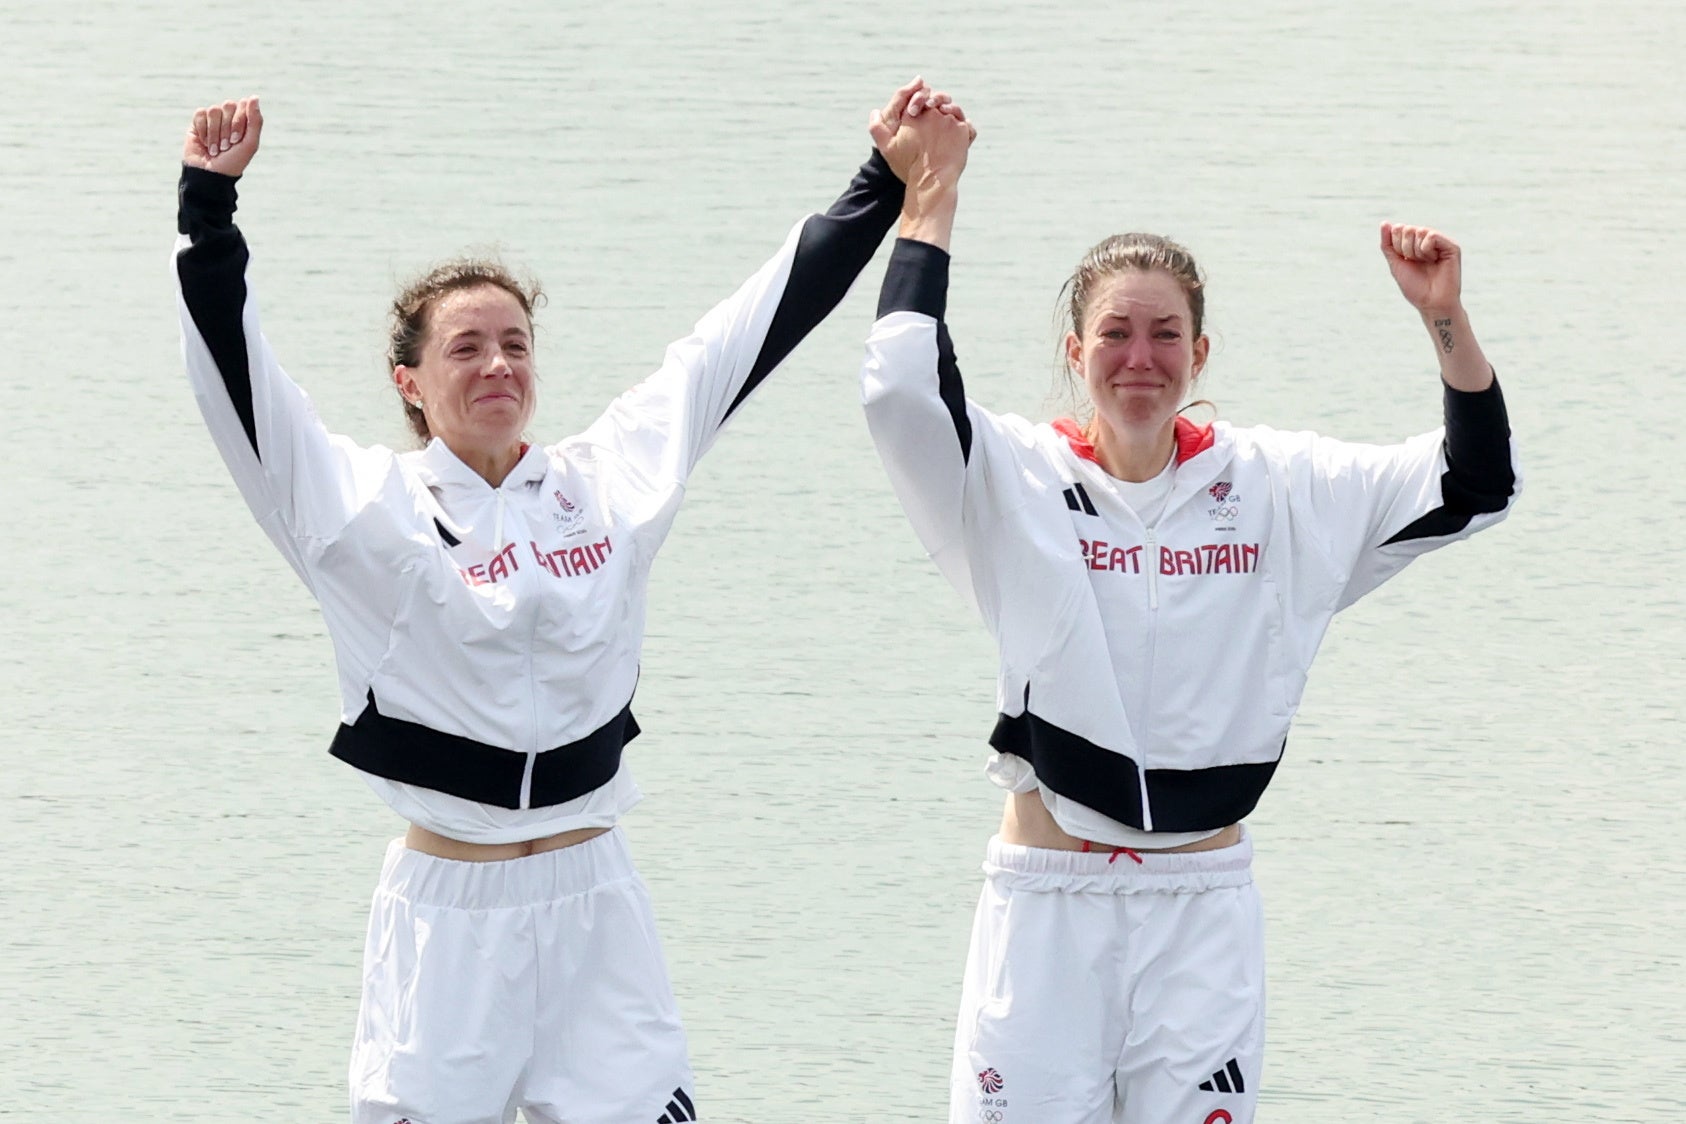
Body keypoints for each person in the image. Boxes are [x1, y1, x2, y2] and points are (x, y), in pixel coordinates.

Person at [174, 83, 942, 1124]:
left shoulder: (609, 478)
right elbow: (238, 381)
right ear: (407, 380)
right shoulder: (356, 508)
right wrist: (208, 210)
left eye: (516, 342)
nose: (498, 363)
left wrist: (880, 183)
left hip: (595, 904)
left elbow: (748, 333)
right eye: (465, 347)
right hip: (450, 923)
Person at [861, 102, 1519, 1124]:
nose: (1140, 358)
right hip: (1049, 906)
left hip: (1200, 915)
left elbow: (1478, 482)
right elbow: (902, 387)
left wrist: (1445, 319)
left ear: (1200, 355)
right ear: (1075, 349)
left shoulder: (1280, 487)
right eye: (1115, 334)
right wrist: (930, 199)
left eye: (1166, 334)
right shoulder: (1012, 481)